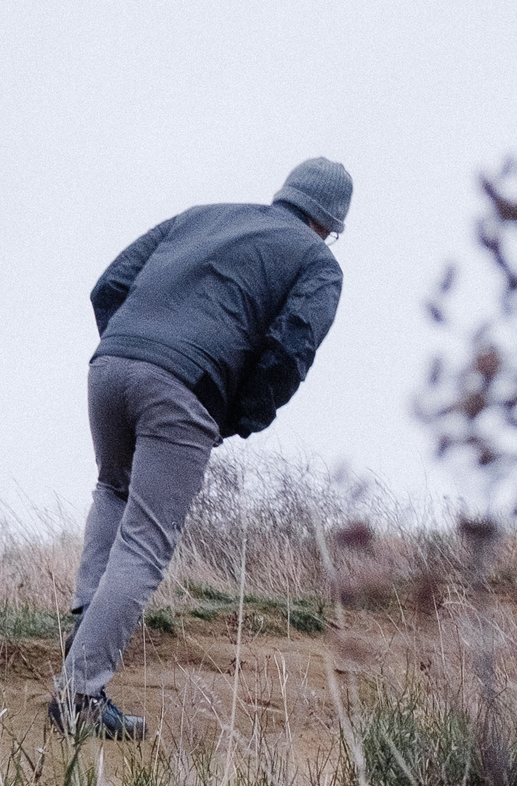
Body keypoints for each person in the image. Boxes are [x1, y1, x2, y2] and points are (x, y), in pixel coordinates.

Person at [53, 160, 351, 741]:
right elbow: (291, 349)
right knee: (147, 541)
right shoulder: (317, 262)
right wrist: (235, 415)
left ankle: (88, 627)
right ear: (330, 224)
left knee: (113, 491)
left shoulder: (203, 216)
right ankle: (80, 695)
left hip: (109, 368)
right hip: (182, 389)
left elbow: (109, 285)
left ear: (284, 193)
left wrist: (135, 349)